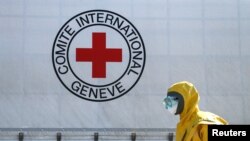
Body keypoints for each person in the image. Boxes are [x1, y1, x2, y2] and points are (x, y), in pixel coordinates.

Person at [163, 81, 228, 141]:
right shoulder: (183, 125)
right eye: (166, 102)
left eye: (171, 101)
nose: (168, 106)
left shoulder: (205, 123)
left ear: (186, 100)